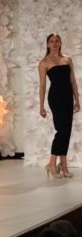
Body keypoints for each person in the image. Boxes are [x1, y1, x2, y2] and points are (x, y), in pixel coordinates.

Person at [39, 33, 80, 178]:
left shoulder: (67, 59)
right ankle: (52, 163)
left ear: (61, 43)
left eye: (57, 41)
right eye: (51, 41)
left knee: (66, 131)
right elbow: (42, 86)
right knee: (61, 130)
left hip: (68, 97)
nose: (54, 43)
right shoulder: (44, 62)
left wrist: (77, 100)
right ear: (48, 44)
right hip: (55, 98)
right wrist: (41, 106)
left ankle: (63, 165)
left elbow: (73, 81)